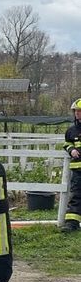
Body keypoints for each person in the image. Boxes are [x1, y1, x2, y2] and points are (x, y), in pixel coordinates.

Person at [61, 98, 81, 233]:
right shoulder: (71, 130)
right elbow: (66, 143)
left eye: (80, 111)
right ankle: (72, 224)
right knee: (76, 196)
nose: (77, 114)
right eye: (76, 111)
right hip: (78, 170)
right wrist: (71, 149)